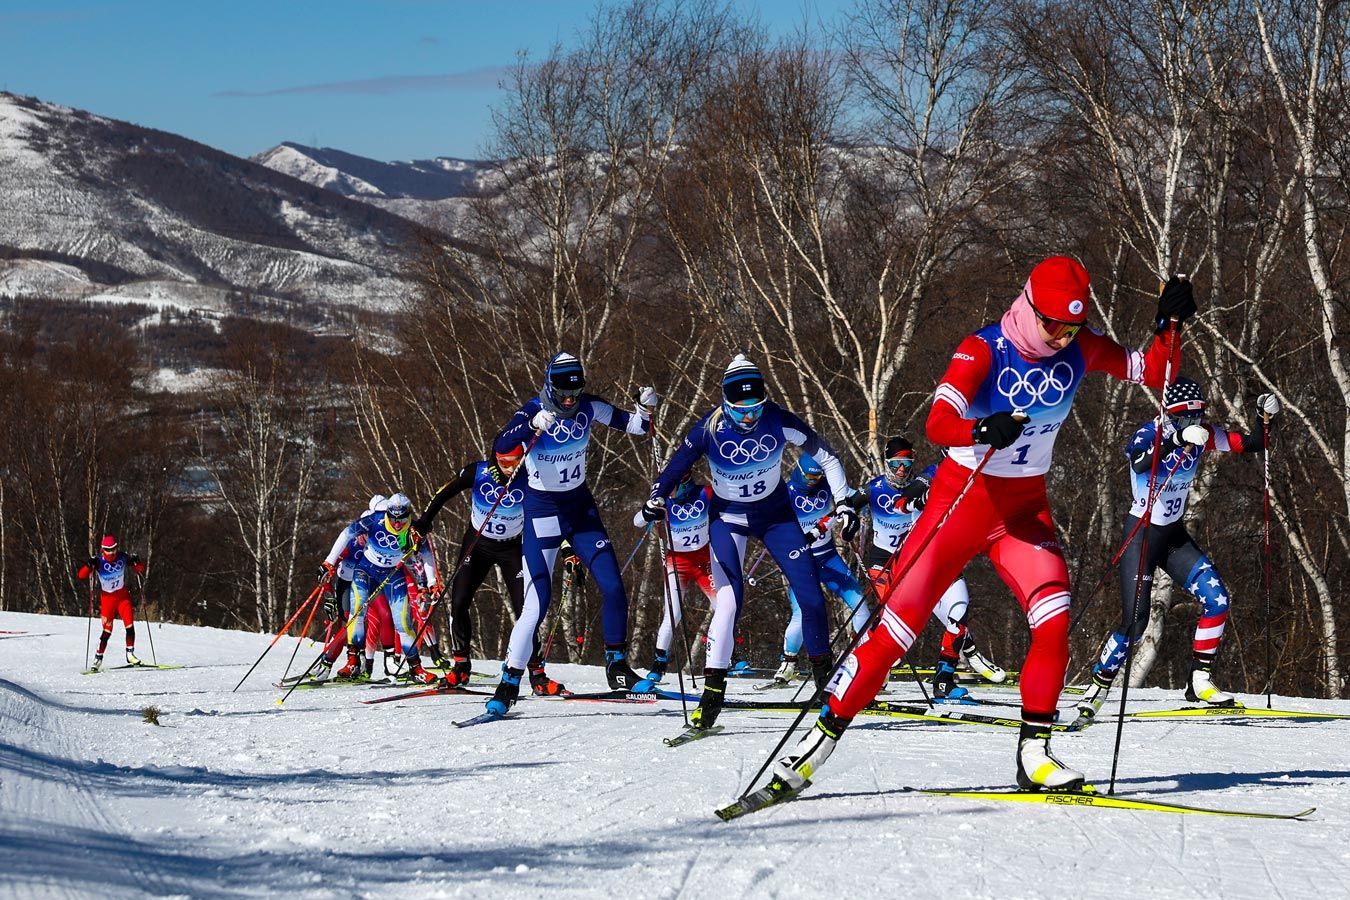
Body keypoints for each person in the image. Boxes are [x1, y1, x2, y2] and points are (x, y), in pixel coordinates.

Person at [771, 257, 1192, 795]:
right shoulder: (984, 348)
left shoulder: (1080, 346)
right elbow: (937, 422)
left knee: (1054, 617)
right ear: (1029, 307)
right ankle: (822, 737)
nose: (1064, 337)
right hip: (958, 507)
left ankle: (1035, 753)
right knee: (895, 632)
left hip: (1022, 511)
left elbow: (1152, 372)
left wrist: (1171, 327)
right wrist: (979, 426)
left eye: (1073, 326)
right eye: (1054, 325)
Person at [642, 354, 860, 733]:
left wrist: (843, 503)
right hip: (728, 519)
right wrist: (656, 498)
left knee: (810, 596)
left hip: (775, 516)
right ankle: (713, 694)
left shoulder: (776, 418)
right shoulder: (709, 428)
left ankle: (826, 685)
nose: (748, 418)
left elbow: (827, 456)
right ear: (725, 403)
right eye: (739, 411)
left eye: (755, 409)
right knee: (728, 601)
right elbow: (676, 466)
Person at [1075, 379, 1281, 723]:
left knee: (1217, 601)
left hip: (1172, 537)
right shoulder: (1150, 433)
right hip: (1141, 536)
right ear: (1170, 415)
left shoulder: (1203, 434)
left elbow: (1253, 444)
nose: (1195, 422)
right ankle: (1099, 682)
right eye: (1187, 417)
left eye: (1199, 415)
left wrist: (1265, 418)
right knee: (1136, 622)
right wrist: (1176, 439)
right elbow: (1140, 462)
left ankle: (1198, 679)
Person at [485, 353, 657, 717]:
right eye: (562, 393)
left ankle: (617, 665)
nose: (568, 400)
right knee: (538, 602)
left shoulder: (588, 407)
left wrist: (644, 410)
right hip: (542, 511)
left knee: (612, 585)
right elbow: (501, 446)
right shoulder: (533, 408)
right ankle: (510, 680)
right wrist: (531, 425)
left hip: (580, 509)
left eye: (574, 392)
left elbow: (639, 428)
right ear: (550, 385)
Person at [865, 437, 1004, 699]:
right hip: (918, 562)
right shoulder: (934, 473)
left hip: (947, 558)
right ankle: (863, 674)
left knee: (958, 613)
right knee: (893, 622)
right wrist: (921, 498)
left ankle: (944, 680)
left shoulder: (984, 474)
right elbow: (904, 500)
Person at [414, 455, 563, 695]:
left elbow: (553, 512)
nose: (509, 468)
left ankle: (537, 675)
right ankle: (461, 665)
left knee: (527, 609)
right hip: (478, 544)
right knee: (459, 601)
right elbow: (444, 492)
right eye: (504, 462)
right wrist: (424, 521)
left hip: (512, 547)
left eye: (515, 462)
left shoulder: (530, 477)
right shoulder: (478, 471)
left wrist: (567, 549)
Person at [767, 456, 870, 687]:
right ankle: (789, 662)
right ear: (799, 472)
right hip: (802, 563)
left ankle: (868, 661)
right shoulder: (786, 493)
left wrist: (858, 504)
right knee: (803, 612)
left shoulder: (826, 485)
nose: (814, 481)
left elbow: (857, 495)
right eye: (810, 477)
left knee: (860, 604)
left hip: (829, 557)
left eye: (818, 477)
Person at [321, 493, 441, 685]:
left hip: (392, 574)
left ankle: (416, 669)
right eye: (392, 518)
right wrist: (329, 562)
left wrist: (432, 582)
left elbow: (426, 555)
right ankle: (353, 663)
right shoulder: (375, 520)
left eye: (401, 519)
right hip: (366, 570)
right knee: (357, 612)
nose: (396, 524)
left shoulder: (414, 529)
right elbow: (346, 533)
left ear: (408, 514)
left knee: (403, 622)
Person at [637, 470, 718, 682]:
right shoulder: (663, 501)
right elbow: (637, 520)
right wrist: (648, 513)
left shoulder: (705, 493)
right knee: (673, 614)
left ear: (684, 483)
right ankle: (658, 664)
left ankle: (729, 655)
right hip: (678, 562)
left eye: (673, 487)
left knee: (723, 607)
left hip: (704, 561)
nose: (669, 492)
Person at [78, 534, 146, 671]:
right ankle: (98, 658)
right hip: (108, 600)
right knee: (107, 631)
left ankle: (130, 654)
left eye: (114, 548)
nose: (112, 552)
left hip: (122, 596)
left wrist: (136, 562)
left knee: (130, 625)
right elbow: (81, 575)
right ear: (103, 549)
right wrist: (88, 565)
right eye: (108, 549)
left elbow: (140, 569)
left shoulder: (122, 556)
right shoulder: (98, 561)